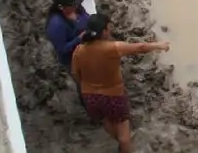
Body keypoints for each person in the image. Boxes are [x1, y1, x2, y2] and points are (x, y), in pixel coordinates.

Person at [71, 14, 170, 153]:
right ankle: (125, 147)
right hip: (113, 96)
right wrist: (159, 45)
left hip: (90, 97)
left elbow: (75, 74)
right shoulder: (112, 48)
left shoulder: (79, 50)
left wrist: (87, 87)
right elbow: (140, 47)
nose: (110, 31)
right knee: (124, 135)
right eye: (108, 28)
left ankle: (119, 141)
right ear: (104, 31)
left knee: (106, 120)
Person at [46, 0, 91, 88]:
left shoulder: (77, 7)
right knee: (84, 83)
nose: (77, 5)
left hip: (87, 48)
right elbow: (62, 50)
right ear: (62, 7)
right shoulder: (56, 25)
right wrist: (79, 39)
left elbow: (86, 16)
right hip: (73, 58)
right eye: (73, 4)